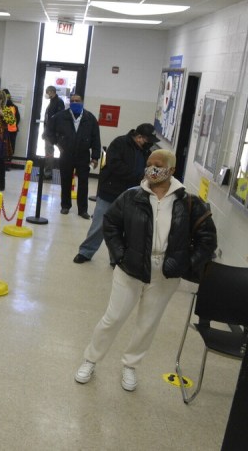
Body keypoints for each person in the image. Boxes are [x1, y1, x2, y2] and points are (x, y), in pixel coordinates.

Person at [74, 149, 217, 391]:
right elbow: (110, 224)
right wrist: (119, 255)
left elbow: (207, 240)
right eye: (149, 164)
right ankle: (91, 359)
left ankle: (130, 366)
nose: (152, 169)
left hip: (165, 272)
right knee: (114, 317)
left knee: (147, 322)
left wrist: (185, 263)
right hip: (130, 268)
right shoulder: (131, 197)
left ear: (171, 170)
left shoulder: (189, 202)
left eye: (158, 165)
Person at [73, 123, 158, 264]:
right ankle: (86, 252)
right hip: (110, 192)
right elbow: (115, 165)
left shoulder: (145, 151)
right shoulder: (119, 143)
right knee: (99, 224)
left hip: (131, 195)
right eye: (147, 140)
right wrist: (138, 176)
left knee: (123, 229)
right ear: (138, 137)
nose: (149, 144)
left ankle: (117, 257)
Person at [45, 93, 100, 218]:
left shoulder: (90, 118)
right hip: (66, 154)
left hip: (83, 155)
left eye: (78, 100)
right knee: (65, 181)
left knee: (83, 183)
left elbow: (96, 138)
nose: (75, 103)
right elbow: (49, 131)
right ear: (70, 102)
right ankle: (65, 206)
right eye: (73, 101)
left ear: (82, 102)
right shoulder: (60, 117)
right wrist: (57, 143)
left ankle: (83, 210)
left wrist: (95, 157)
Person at [42, 85, 65, 179]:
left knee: (55, 152)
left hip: (54, 133)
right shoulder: (52, 102)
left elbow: (58, 118)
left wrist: (52, 132)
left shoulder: (59, 102)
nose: (46, 94)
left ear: (51, 91)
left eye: (47, 92)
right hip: (49, 132)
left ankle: (50, 173)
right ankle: (47, 172)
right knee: (48, 152)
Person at [3, 88, 20, 163]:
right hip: (7, 131)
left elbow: (17, 119)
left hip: (10, 131)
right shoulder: (2, 107)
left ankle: (6, 163)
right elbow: (17, 119)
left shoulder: (13, 107)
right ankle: (5, 163)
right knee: (6, 147)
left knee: (9, 147)